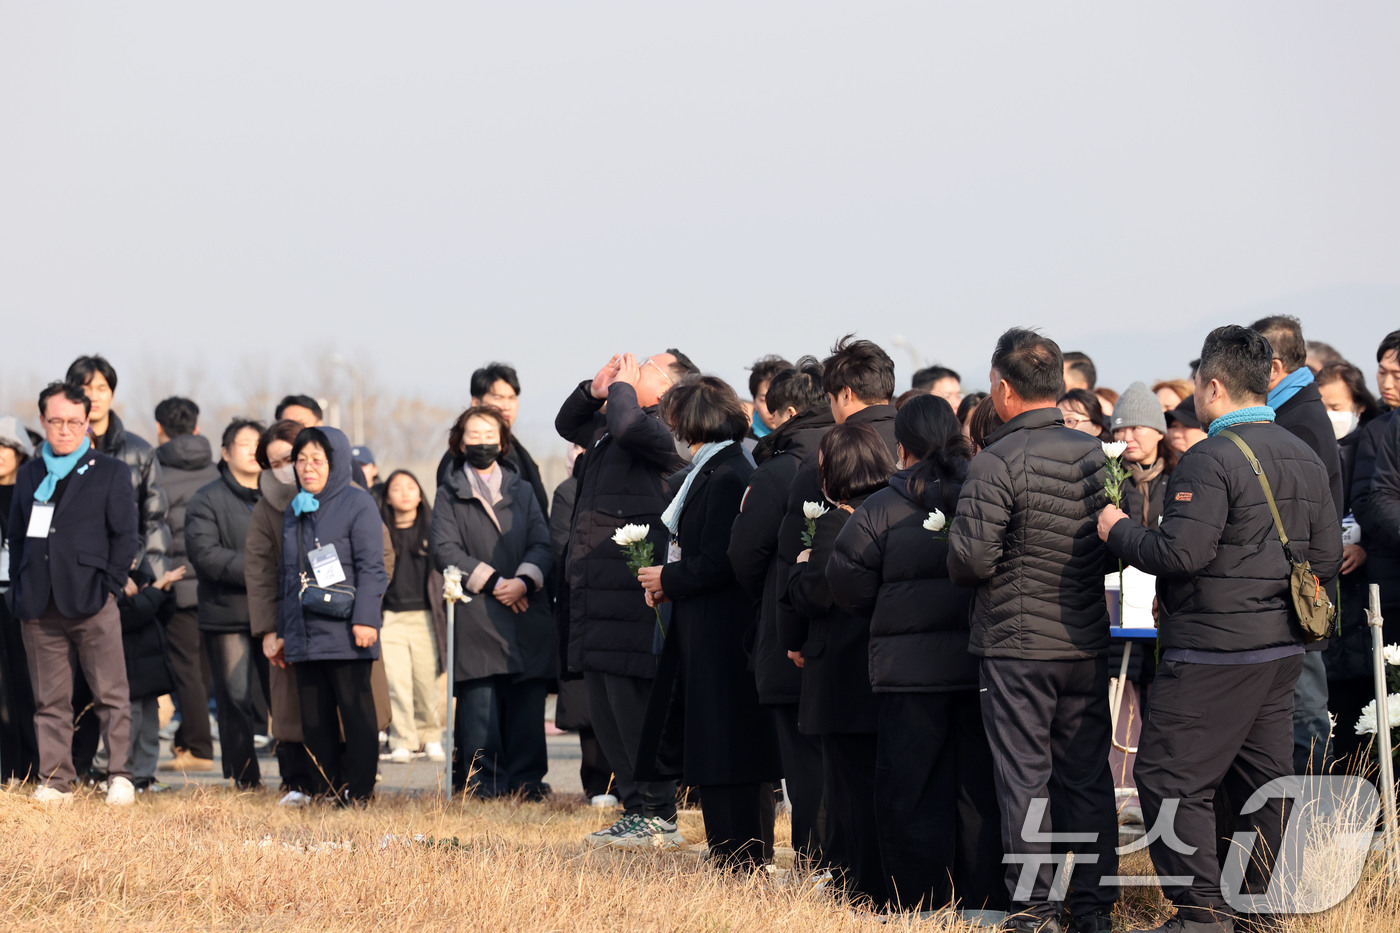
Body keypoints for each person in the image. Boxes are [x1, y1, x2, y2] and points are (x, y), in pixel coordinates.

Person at [1099, 324, 1342, 933]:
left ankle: (1203, 912)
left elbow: (1179, 554)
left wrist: (1117, 529)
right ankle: (1258, 909)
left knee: (1168, 778)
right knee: (1261, 782)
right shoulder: (1304, 453)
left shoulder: (1210, 458)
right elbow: (1328, 558)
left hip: (1212, 652)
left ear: (1213, 386)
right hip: (1280, 649)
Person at [948, 328, 1118, 933]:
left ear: (1002, 388)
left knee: (1024, 779)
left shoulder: (996, 459)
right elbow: (1117, 543)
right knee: (1088, 777)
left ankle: (1036, 908)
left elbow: (970, 561)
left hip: (1016, 645)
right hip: (1084, 640)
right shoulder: (1096, 455)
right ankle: (1093, 907)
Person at [826, 395, 1005, 914]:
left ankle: (919, 904)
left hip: (908, 676)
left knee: (910, 791)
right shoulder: (984, 492)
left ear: (900, 446)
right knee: (978, 789)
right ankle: (984, 902)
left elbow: (847, 583)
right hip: (979, 666)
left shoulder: (880, 507)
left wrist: (890, 608)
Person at [633, 376, 780, 868]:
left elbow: (722, 559)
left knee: (728, 749)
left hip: (723, 634)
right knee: (716, 748)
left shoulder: (729, 473)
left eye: (675, 419)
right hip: (704, 629)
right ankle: (732, 855)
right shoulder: (713, 468)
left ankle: (741, 858)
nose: (672, 429)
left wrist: (670, 578)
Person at [554, 350, 696, 847]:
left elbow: (630, 426)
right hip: (596, 595)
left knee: (635, 709)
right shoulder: (613, 420)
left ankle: (658, 813)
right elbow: (567, 425)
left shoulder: (666, 428)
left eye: (647, 366)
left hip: (633, 594)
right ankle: (635, 809)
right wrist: (593, 391)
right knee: (606, 711)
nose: (633, 371)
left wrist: (620, 392)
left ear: (670, 385)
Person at [7, 382, 140, 805]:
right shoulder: (29, 473)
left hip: (91, 599)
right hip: (38, 603)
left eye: (74, 422)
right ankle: (56, 779)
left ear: (87, 424)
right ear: (42, 421)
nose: (65, 430)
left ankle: (120, 775)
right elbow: (17, 536)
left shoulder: (109, 471)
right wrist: (18, 588)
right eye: (56, 421)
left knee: (110, 694)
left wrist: (110, 587)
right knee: (49, 700)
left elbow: (125, 536)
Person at [783, 422, 895, 906]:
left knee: (849, 792)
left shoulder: (839, 521)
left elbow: (815, 594)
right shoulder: (894, 511)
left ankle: (861, 889)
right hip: (885, 670)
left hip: (841, 678)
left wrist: (799, 566)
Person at [727, 356, 833, 863]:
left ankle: (816, 861)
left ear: (788, 413)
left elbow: (744, 554)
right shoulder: (866, 452)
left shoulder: (779, 469)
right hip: (857, 636)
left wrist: (770, 598)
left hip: (791, 629)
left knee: (804, 760)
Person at [432, 406, 555, 799]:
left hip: (525, 606)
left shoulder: (522, 490)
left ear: (502, 442)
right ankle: (483, 784)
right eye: (474, 434)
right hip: (477, 609)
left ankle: (527, 784)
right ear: (459, 442)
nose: (482, 441)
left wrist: (522, 581)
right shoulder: (449, 493)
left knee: (527, 702)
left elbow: (542, 542)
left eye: (490, 434)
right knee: (479, 704)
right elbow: (444, 549)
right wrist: (496, 582)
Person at [1249, 315, 1344, 775]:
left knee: (1304, 715)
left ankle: (1314, 810)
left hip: (1298, 595)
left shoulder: (1299, 419)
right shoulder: (1291, 412)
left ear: (1274, 367)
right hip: (1290, 592)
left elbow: (1307, 519)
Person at [272, 426, 387, 804]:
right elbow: (289, 576)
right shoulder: (296, 508)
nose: (308, 468)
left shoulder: (358, 503)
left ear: (335, 463)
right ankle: (326, 789)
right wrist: (285, 631)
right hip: (305, 632)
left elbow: (372, 567)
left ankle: (360, 791)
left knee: (356, 714)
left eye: (317, 460)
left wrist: (366, 619)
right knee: (314, 718)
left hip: (347, 629)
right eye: (301, 460)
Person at [185, 418, 267, 789]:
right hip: (228, 612)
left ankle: (297, 777)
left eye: (258, 443)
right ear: (225, 451)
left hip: (274, 610)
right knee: (235, 698)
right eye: (245, 443)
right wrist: (261, 569)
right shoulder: (207, 498)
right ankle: (244, 777)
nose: (253, 450)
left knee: (282, 697)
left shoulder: (278, 494)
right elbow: (206, 555)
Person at [244, 419, 317, 805]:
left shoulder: (346, 494)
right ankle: (296, 782)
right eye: (276, 463)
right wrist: (268, 630)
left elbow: (378, 556)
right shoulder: (266, 508)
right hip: (287, 619)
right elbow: (257, 571)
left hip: (337, 617)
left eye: (290, 457)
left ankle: (343, 781)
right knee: (289, 704)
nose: (287, 468)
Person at [1314, 362, 1381, 768]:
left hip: (1364, 593)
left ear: (1358, 405)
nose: (1329, 416)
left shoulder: (1373, 444)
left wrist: (1366, 547)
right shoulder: (1309, 446)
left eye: (1336, 406)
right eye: (1321, 405)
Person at [152, 396, 219, 775]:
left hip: (176, 582)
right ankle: (188, 740)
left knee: (185, 668)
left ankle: (198, 747)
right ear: (197, 427)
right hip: (214, 581)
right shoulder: (216, 470)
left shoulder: (156, 470)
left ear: (159, 428)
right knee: (203, 668)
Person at [548, 443, 616, 803]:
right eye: (578, 446)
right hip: (583, 603)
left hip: (623, 599)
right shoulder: (568, 491)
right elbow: (562, 547)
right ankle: (598, 784)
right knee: (588, 702)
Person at [378, 470, 446, 765]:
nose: (405, 492)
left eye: (411, 487)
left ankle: (430, 736)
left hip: (425, 617)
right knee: (396, 682)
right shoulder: (379, 531)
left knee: (425, 682)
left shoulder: (434, 529)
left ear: (420, 495)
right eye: (397, 488)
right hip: (390, 618)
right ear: (387, 498)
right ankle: (402, 739)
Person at [105, 563, 184, 794]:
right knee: (130, 724)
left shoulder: (142, 577)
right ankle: (121, 775)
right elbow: (134, 613)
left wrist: (165, 591)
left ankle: (145, 777)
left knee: (150, 726)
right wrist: (156, 590)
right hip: (127, 667)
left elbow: (162, 613)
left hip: (150, 668)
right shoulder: (109, 583)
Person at [437, 364, 550, 515]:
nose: (506, 406)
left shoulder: (519, 451)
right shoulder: (458, 457)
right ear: (476, 403)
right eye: (498, 398)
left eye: (512, 398)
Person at [0, 416, 39, 782]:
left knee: (28, 681)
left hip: (24, 595)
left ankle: (33, 766)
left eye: (6, 446)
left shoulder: (33, 493)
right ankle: (6, 767)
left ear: (21, 452)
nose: (0, 454)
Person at [747, 355, 794, 440]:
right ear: (754, 402)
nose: (772, 409)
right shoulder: (743, 444)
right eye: (764, 400)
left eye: (781, 399)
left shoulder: (810, 440)